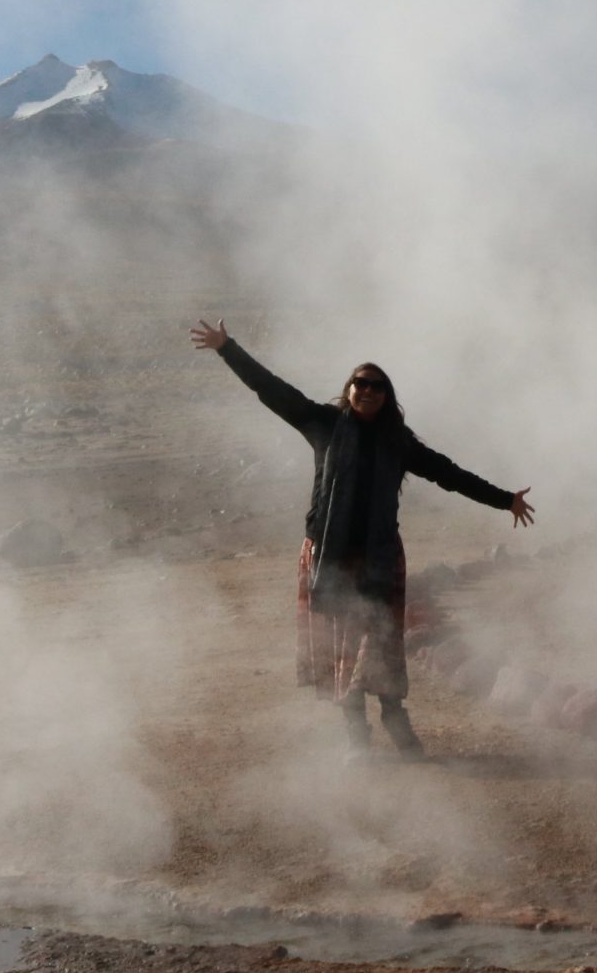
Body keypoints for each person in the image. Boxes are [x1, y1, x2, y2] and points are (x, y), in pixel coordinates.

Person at [189, 319, 534, 754]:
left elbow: (450, 475)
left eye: (376, 386)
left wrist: (505, 500)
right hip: (329, 554)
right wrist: (227, 347)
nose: (366, 390)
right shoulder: (322, 424)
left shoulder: (398, 442)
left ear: (386, 397)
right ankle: (356, 734)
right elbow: (270, 389)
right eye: (359, 383)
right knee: (342, 646)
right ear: (348, 389)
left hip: (380, 557)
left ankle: (394, 716)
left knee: (383, 642)